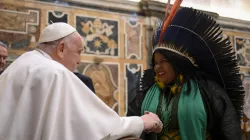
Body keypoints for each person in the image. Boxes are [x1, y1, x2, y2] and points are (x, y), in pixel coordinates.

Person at [0, 22, 163, 140]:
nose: (79, 61)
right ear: (61, 48)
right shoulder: (55, 73)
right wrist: (141, 122)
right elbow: (97, 129)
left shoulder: (20, 64)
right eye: (79, 52)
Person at [127, 2, 244, 140]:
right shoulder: (146, 93)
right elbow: (131, 124)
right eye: (155, 63)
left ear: (177, 63)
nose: (157, 67)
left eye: (163, 61)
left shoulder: (207, 90)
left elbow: (229, 129)